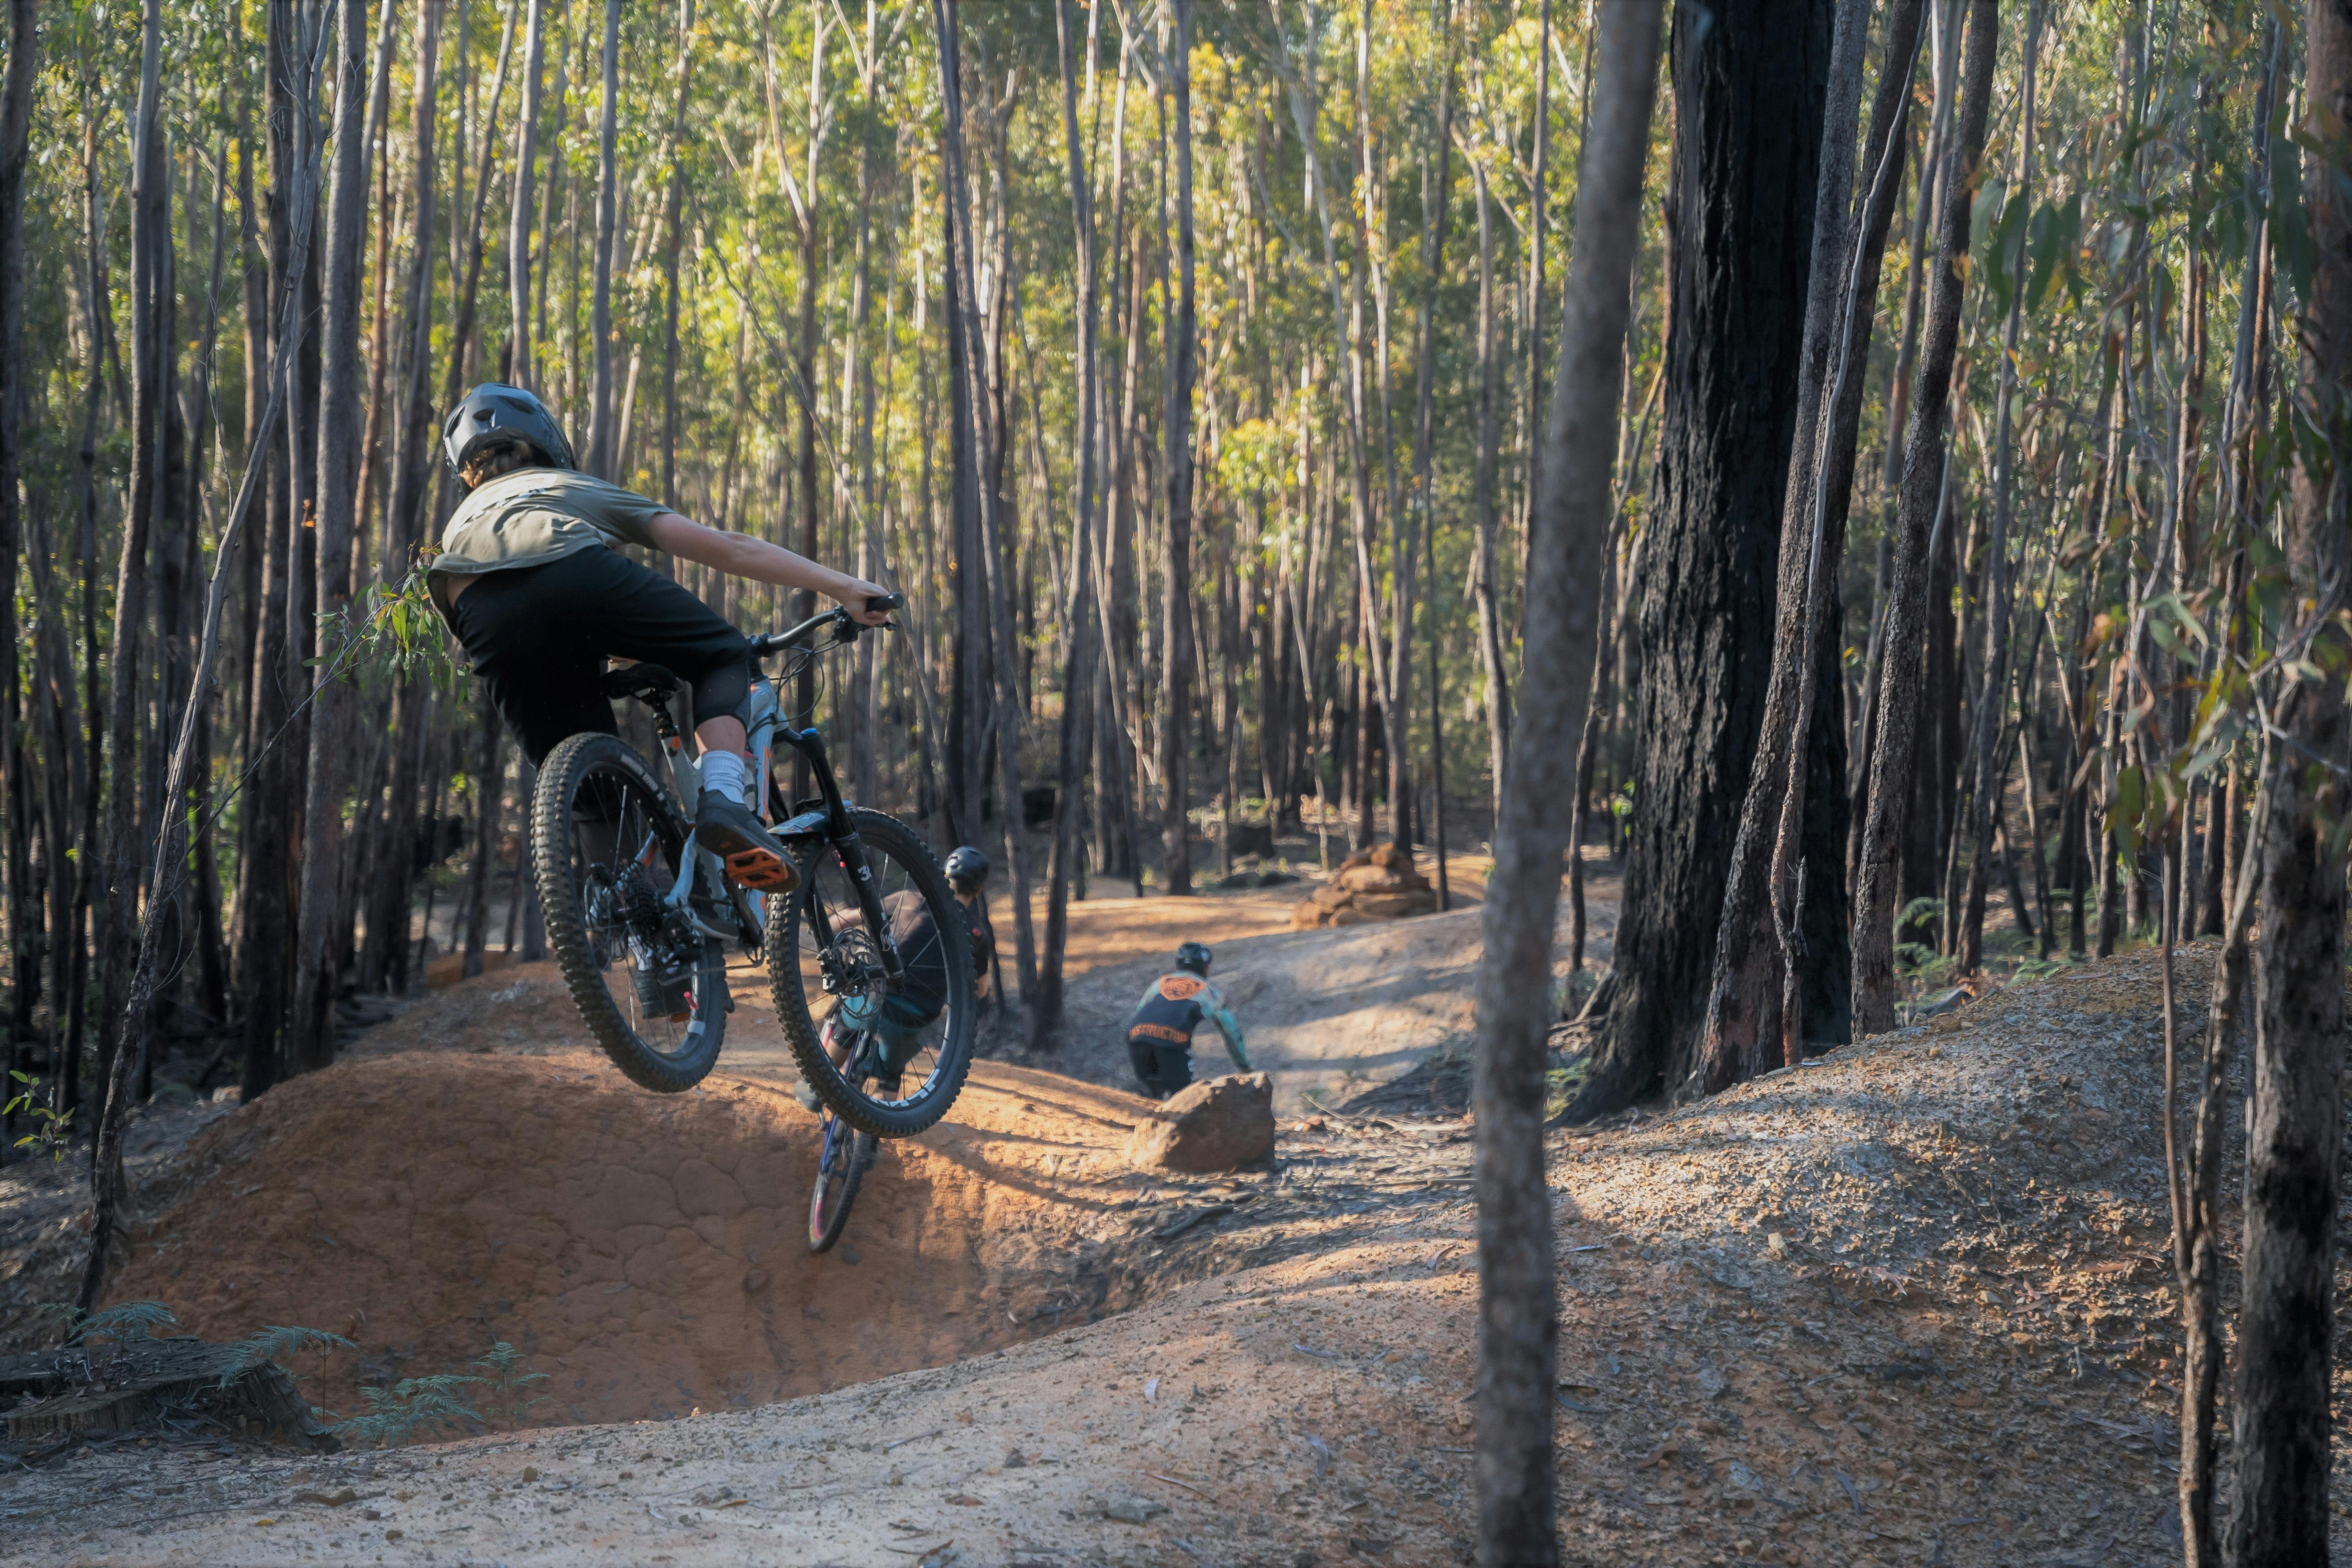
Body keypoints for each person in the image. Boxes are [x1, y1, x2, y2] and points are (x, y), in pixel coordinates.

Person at [428, 383, 890, 891]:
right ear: (545, 440)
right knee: (721, 654)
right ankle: (724, 803)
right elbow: (729, 549)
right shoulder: (563, 485)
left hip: (482, 617)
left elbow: (521, 612)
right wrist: (846, 587)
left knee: (592, 795)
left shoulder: (457, 527)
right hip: (574, 572)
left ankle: (636, 925)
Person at [1125, 942, 1250, 1099]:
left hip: (1138, 1035)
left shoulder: (1160, 983)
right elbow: (1231, 1031)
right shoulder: (1209, 992)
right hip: (1172, 1040)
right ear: (1205, 967)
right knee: (1184, 1097)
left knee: (1149, 1094)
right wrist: (1245, 1066)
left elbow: (1139, 1012)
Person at [944, 846, 998, 1006]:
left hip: (875, 998)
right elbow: (980, 992)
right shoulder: (977, 934)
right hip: (920, 1015)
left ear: (945, 877)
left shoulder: (909, 899)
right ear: (979, 890)